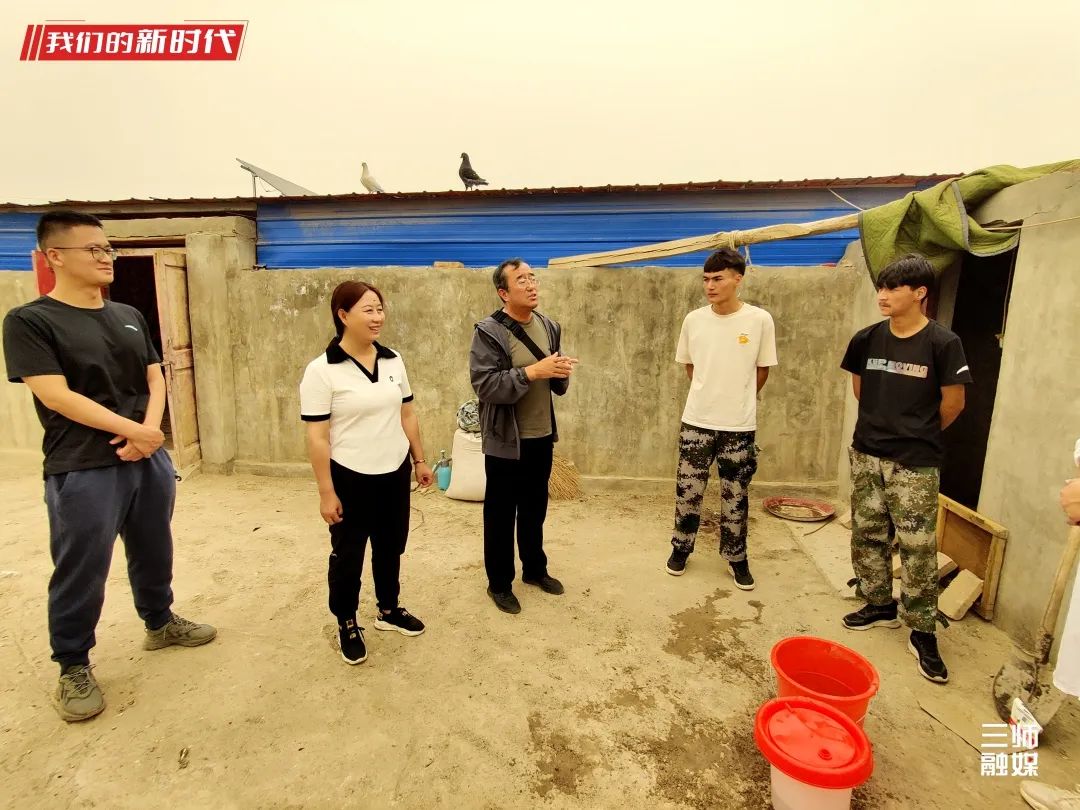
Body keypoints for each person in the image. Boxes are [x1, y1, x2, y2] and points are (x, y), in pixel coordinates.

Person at [2, 210, 216, 723]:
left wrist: (149, 432)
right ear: (55, 256)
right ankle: (73, 664)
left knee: (154, 546)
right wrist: (136, 432)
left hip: (147, 458)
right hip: (82, 465)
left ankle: (159, 622)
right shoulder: (31, 321)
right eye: (93, 250)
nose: (106, 258)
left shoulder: (127, 314)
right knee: (82, 565)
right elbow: (55, 394)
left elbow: (155, 375)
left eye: (108, 249)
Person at [840, 253, 971, 684]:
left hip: (915, 462)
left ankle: (922, 630)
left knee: (917, 547)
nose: (883, 295)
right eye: (881, 287)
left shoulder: (942, 343)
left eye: (893, 288)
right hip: (867, 453)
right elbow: (861, 391)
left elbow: (954, 404)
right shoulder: (866, 339)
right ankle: (879, 603)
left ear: (919, 293)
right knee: (868, 533)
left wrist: (915, 434)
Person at [299, 281, 432, 665]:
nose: (378, 317)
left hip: (394, 472)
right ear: (343, 315)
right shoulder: (322, 371)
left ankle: (388, 610)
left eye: (380, 309)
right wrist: (326, 491)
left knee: (391, 545)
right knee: (348, 554)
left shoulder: (393, 360)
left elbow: (407, 413)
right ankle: (347, 620)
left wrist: (419, 460)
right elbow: (318, 436)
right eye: (368, 310)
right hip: (350, 476)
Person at [469, 258, 577, 614]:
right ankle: (499, 584)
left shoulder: (548, 326)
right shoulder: (489, 332)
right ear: (503, 292)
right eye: (521, 280)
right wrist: (532, 372)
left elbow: (554, 380)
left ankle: (534, 570)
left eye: (533, 277)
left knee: (535, 508)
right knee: (500, 514)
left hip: (541, 434)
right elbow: (485, 385)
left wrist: (561, 371)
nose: (531, 284)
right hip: (505, 440)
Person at [666, 247, 777, 589]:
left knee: (736, 495)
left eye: (718, 279)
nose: (710, 286)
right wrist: (709, 393)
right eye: (706, 279)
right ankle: (681, 548)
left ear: (737, 279)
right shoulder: (694, 320)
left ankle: (736, 557)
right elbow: (690, 366)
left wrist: (738, 398)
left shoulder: (759, 320)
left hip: (739, 426)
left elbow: (762, 369)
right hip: (697, 421)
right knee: (688, 491)